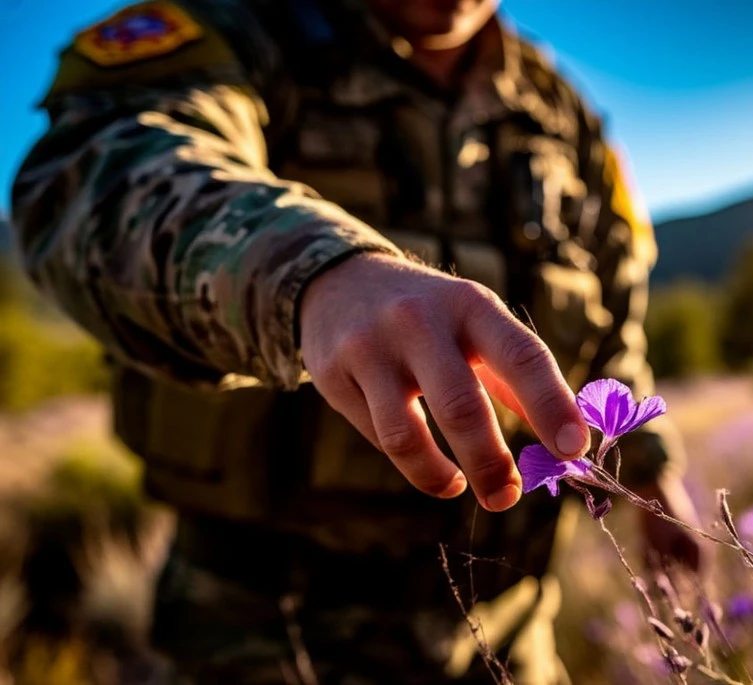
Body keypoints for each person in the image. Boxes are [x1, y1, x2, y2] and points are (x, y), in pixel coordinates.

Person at [10, 0, 701, 682]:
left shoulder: (558, 113)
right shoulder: (237, 33)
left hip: (510, 625)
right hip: (263, 628)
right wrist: (314, 275)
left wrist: (647, 467)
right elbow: (103, 180)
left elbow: (610, 312)